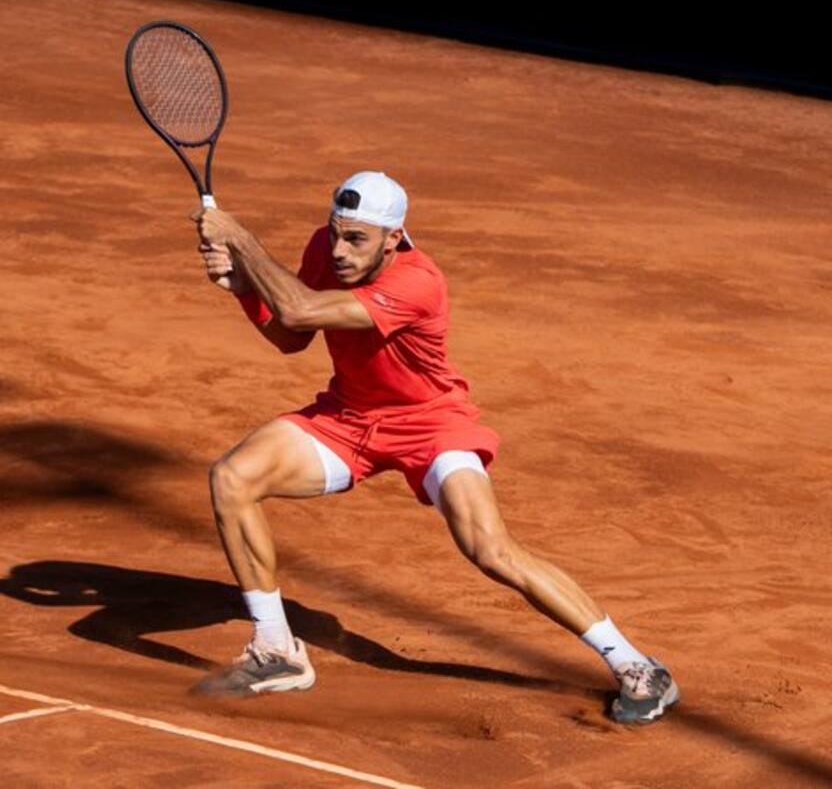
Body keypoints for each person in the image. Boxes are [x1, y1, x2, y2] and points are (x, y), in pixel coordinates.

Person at [189, 171, 678, 724]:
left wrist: (241, 239)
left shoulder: (419, 283)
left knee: (490, 549)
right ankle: (276, 650)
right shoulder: (325, 249)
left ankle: (636, 666)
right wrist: (245, 290)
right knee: (233, 478)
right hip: (350, 418)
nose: (340, 250)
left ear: (393, 238)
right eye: (335, 234)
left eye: (357, 240)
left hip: (432, 425)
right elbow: (290, 335)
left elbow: (301, 309)